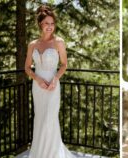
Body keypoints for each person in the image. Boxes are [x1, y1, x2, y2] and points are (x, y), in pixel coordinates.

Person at [24, 5, 76, 158]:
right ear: (40, 24)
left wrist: (55, 79)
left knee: (50, 119)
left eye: (52, 24)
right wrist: (37, 79)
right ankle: (39, 153)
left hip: (53, 85)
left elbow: (64, 65)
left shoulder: (59, 42)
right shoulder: (33, 44)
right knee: (39, 118)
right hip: (38, 86)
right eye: (47, 23)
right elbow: (27, 67)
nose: (50, 27)